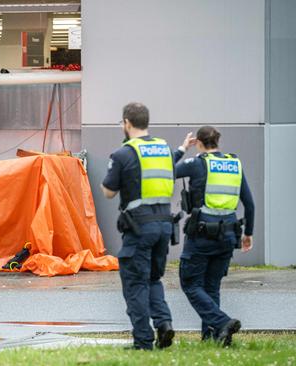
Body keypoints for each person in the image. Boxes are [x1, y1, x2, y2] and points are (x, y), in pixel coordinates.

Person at [100, 102, 179, 350]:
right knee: (153, 279)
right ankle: (164, 323)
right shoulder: (164, 149)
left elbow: (108, 192)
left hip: (139, 228)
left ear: (126, 123)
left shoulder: (124, 153)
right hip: (165, 225)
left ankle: (143, 341)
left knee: (135, 283)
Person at [174, 126, 255, 347]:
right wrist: (248, 233)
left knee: (190, 283)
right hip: (228, 235)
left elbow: (167, 170)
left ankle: (222, 323)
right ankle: (214, 338)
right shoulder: (233, 163)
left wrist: (182, 148)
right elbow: (249, 203)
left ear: (198, 142)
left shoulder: (198, 163)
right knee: (211, 287)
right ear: (217, 142)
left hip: (202, 234)